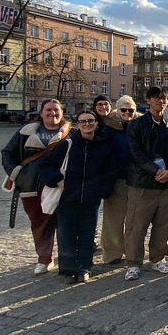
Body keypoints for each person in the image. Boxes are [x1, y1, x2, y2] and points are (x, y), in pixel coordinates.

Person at [39, 110, 116, 283]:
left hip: (91, 198)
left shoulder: (103, 146)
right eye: (83, 121)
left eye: (90, 121)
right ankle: (68, 269)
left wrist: (104, 190)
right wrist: (57, 179)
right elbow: (45, 165)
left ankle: (84, 268)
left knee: (87, 234)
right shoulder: (68, 144)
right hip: (67, 198)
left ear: (96, 123)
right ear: (77, 124)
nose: (87, 124)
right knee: (66, 234)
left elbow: (110, 172)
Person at [1, 99, 72, 275]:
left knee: (67, 221)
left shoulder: (72, 133)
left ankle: (70, 258)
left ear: (62, 113)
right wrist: (16, 172)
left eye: (56, 110)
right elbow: (7, 153)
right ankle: (44, 258)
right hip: (32, 184)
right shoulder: (25, 132)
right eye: (48, 110)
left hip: (62, 185)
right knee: (39, 222)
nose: (52, 113)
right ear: (41, 113)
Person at [123, 86, 168, 281]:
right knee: (136, 226)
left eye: (164, 98)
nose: (160, 102)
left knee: (163, 224)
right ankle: (133, 263)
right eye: (156, 98)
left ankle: (158, 258)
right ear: (148, 101)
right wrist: (155, 170)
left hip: (165, 184)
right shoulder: (137, 125)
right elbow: (135, 153)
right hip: (142, 184)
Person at [100, 96, 138, 265]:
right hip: (117, 178)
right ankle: (113, 253)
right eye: (124, 109)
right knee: (114, 219)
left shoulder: (140, 125)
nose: (127, 113)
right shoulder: (110, 128)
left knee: (135, 219)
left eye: (131, 110)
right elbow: (102, 152)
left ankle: (132, 250)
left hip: (138, 179)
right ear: (117, 110)